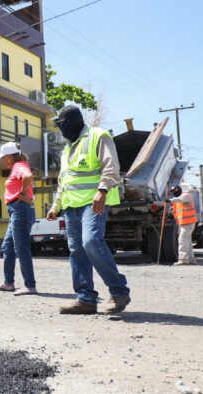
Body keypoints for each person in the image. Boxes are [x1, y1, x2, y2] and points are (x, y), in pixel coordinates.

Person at [48, 105, 131, 315]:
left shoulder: (98, 136)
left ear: (71, 122)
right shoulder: (67, 149)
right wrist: (56, 206)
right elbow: (64, 181)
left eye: (60, 124)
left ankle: (119, 291)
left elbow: (111, 167)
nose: (59, 128)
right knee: (76, 250)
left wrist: (102, 190)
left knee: (91, 242)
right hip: (71, 205)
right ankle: (85, 299)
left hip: (93, 202)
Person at [0, 143, 38, 296]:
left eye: (4, 158)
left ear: (10, 157)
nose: (3, 161)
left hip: (20, 209)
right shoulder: (18, 166)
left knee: (21, 248)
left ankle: (30, 285)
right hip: (16, 211)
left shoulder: (19, 166)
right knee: (8, 247)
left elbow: (28, 176)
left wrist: (23, 193)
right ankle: (8, 283)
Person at [170, 184, 197, 265]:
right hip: (184, 224)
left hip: (188, 223)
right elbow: (171, 204)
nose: (174, 193)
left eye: (175, 191)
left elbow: (178, 200)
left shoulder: (186, 195)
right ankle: (191, 260)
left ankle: (183, 259)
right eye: (173, 192)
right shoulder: (176, 202)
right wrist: (155, 202)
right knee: (187, 242)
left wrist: (170, 200)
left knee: (182, 240)